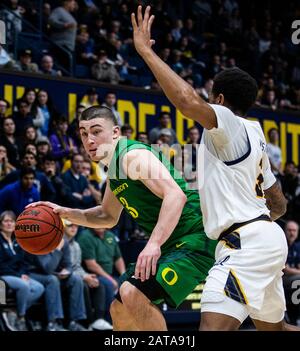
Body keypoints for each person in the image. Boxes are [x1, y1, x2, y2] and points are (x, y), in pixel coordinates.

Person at [131, 5, 298, 331]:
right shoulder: (256, 133)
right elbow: (278, 203)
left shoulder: (228, 123)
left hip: (244, 243)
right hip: (267, 237)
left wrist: (146, 54)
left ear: (219, 99)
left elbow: (185, 101)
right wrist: (260, 232)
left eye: (210, 98)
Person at [26, 105, 216, 331]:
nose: (89, 140)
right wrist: (65, 213)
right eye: (84, 133)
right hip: (172, 241)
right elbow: (106, 216)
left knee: (131, 292)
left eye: (96, 131)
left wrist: (153, 244)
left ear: (115, 132)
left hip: (195, 237)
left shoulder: (131, 156)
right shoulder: (115, 169)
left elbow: (175, 195)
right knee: (119, 308)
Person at [25, 236, 87, 331]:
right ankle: (52, 323)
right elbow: (47, 269)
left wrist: (66, 271)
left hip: (55, 274)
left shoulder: (63, 241)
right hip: (34, 274)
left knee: (76, 279)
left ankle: (74, 322)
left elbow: (68, 264)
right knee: (52, 280)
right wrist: (57, 249)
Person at [64, 220, 112, 330]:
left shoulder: (75, 245)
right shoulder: (60, 243)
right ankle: (88, 321)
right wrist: (84, 277)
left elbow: (77, 266)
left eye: (76, 225)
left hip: (75, 275)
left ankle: (98, 319)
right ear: (62, 226)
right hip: (64, 276)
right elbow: (65, 267)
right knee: (83, 284)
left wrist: (87, 275)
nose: (74, 228)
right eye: (70, 225)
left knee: (97, 283)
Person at [0, 211, 44, 331]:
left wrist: (23, 273)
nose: (9, 224)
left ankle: (12, 311)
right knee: (24, 286)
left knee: (39, 287)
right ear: (1, 225)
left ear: (15, 224)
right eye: (6, 221)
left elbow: (24, 262)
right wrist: (19, 276)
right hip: (4, 276)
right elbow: (1, 265)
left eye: (12, 221)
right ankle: (21, 317)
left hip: (18, 275)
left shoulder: (18, 241)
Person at [77, 227, 126, 322]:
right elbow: (91, 265)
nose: (99, 224)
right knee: (109, 284)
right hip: (93, 275)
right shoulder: (85, 237)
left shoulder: (110, 235)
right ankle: (109, 320)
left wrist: (124, 275)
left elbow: (118, 258)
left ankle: (126, 319)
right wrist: (110, 279)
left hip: (109, 274)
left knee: (128, 284)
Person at [283, 221, 300, 325]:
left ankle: (295, 316)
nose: (292, 233)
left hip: (292, 278)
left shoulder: (298, 247)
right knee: (297, 281)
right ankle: (294, 317)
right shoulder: (281, 244)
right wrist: (290, 270)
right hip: (279, 278)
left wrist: (291, 270)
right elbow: (284, 269)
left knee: (297, 281)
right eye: (289, 230)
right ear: (285, 231)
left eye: (294, 230)